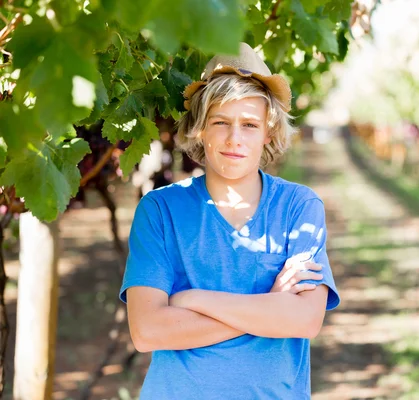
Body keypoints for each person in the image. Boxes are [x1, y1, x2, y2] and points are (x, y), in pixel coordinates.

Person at [119, 42, 340, 399]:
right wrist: (270, 305)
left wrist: (192, 299)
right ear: (199, 129)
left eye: (249, 125)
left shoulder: (298, 208)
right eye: (220, 122)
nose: (234, 139)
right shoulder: (160, 210)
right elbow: (146, 331)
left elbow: (304, 320)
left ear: (268, 132)